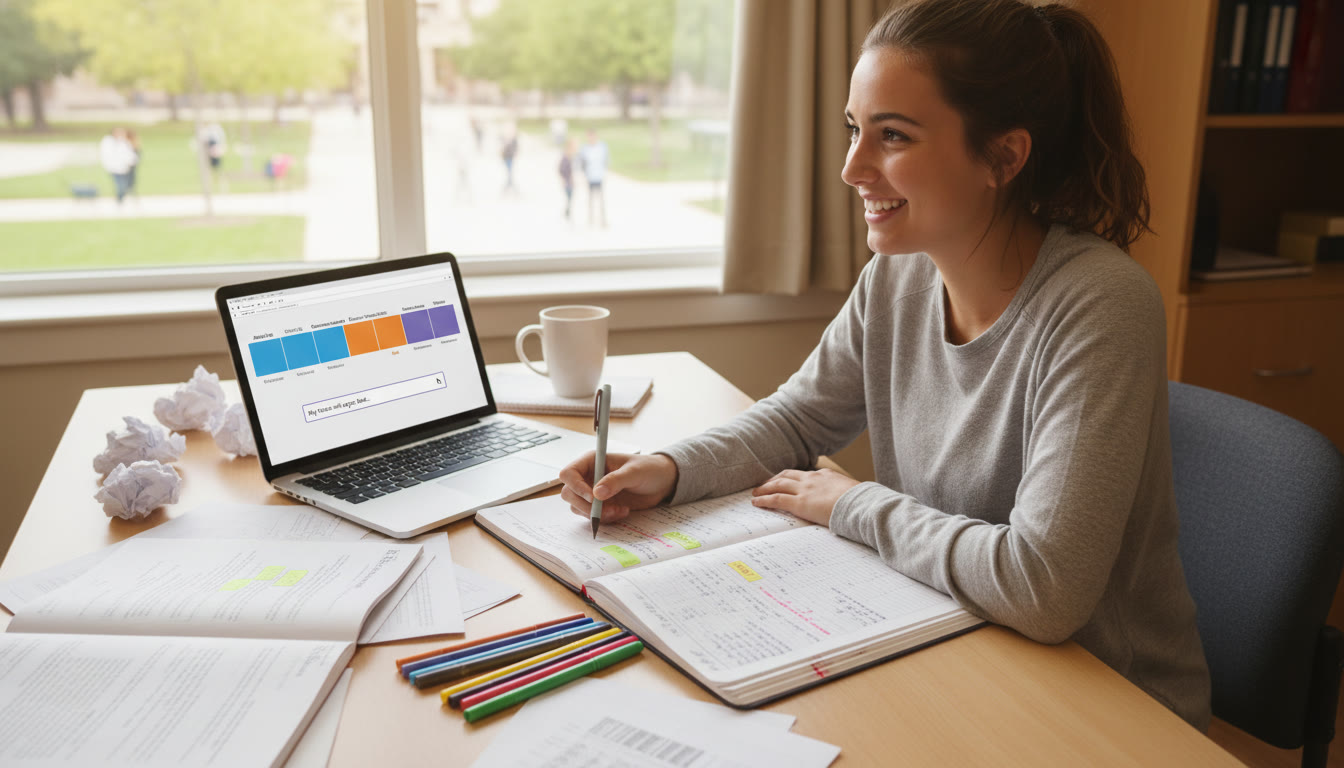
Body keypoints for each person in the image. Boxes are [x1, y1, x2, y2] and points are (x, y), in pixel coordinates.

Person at [556, 0, 1212, 730]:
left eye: (892, 136)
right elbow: (799, 418)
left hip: (1104, 703)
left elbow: (1044, 587)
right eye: (853, 129)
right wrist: (669, 470)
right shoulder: (900, 277)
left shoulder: (1101, 303)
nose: (851, 168)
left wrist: (849, 504)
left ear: (1005, 156)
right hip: (958, 637)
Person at [578, 129, 608, 227]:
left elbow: (606, 160)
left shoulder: (602, 147)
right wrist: (583, 175)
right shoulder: (585, 149)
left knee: (601, 199)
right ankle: (591, 219)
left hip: (599, 176)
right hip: (589, 177)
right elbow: (582, 163)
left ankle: (603, 219)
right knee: (590, 199)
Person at [98, 127, 135, 205]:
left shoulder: (123, 142)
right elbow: (105, 155)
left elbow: (128, 154)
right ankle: (119, 200)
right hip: (114, 168)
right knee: (120, 185)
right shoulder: (108, 142)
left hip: (124, 168)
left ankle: (120, 199)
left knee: (126, 185)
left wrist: (131, 161)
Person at [559, 139, 576, 220]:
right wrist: (564, 179)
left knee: (570, 197)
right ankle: (568, 212)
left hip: (571, 181)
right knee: (569, 197)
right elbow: (561, 169)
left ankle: (568, 211)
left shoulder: (572, 156)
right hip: (568, 181)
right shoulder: (566, 157)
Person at [124, 129, 142, 200]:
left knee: (131, 180)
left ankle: (131, 194)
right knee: (129, 180)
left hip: (132, 164)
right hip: (127, 165)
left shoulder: (133, 143)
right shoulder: (127, 143)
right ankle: (129, 193)